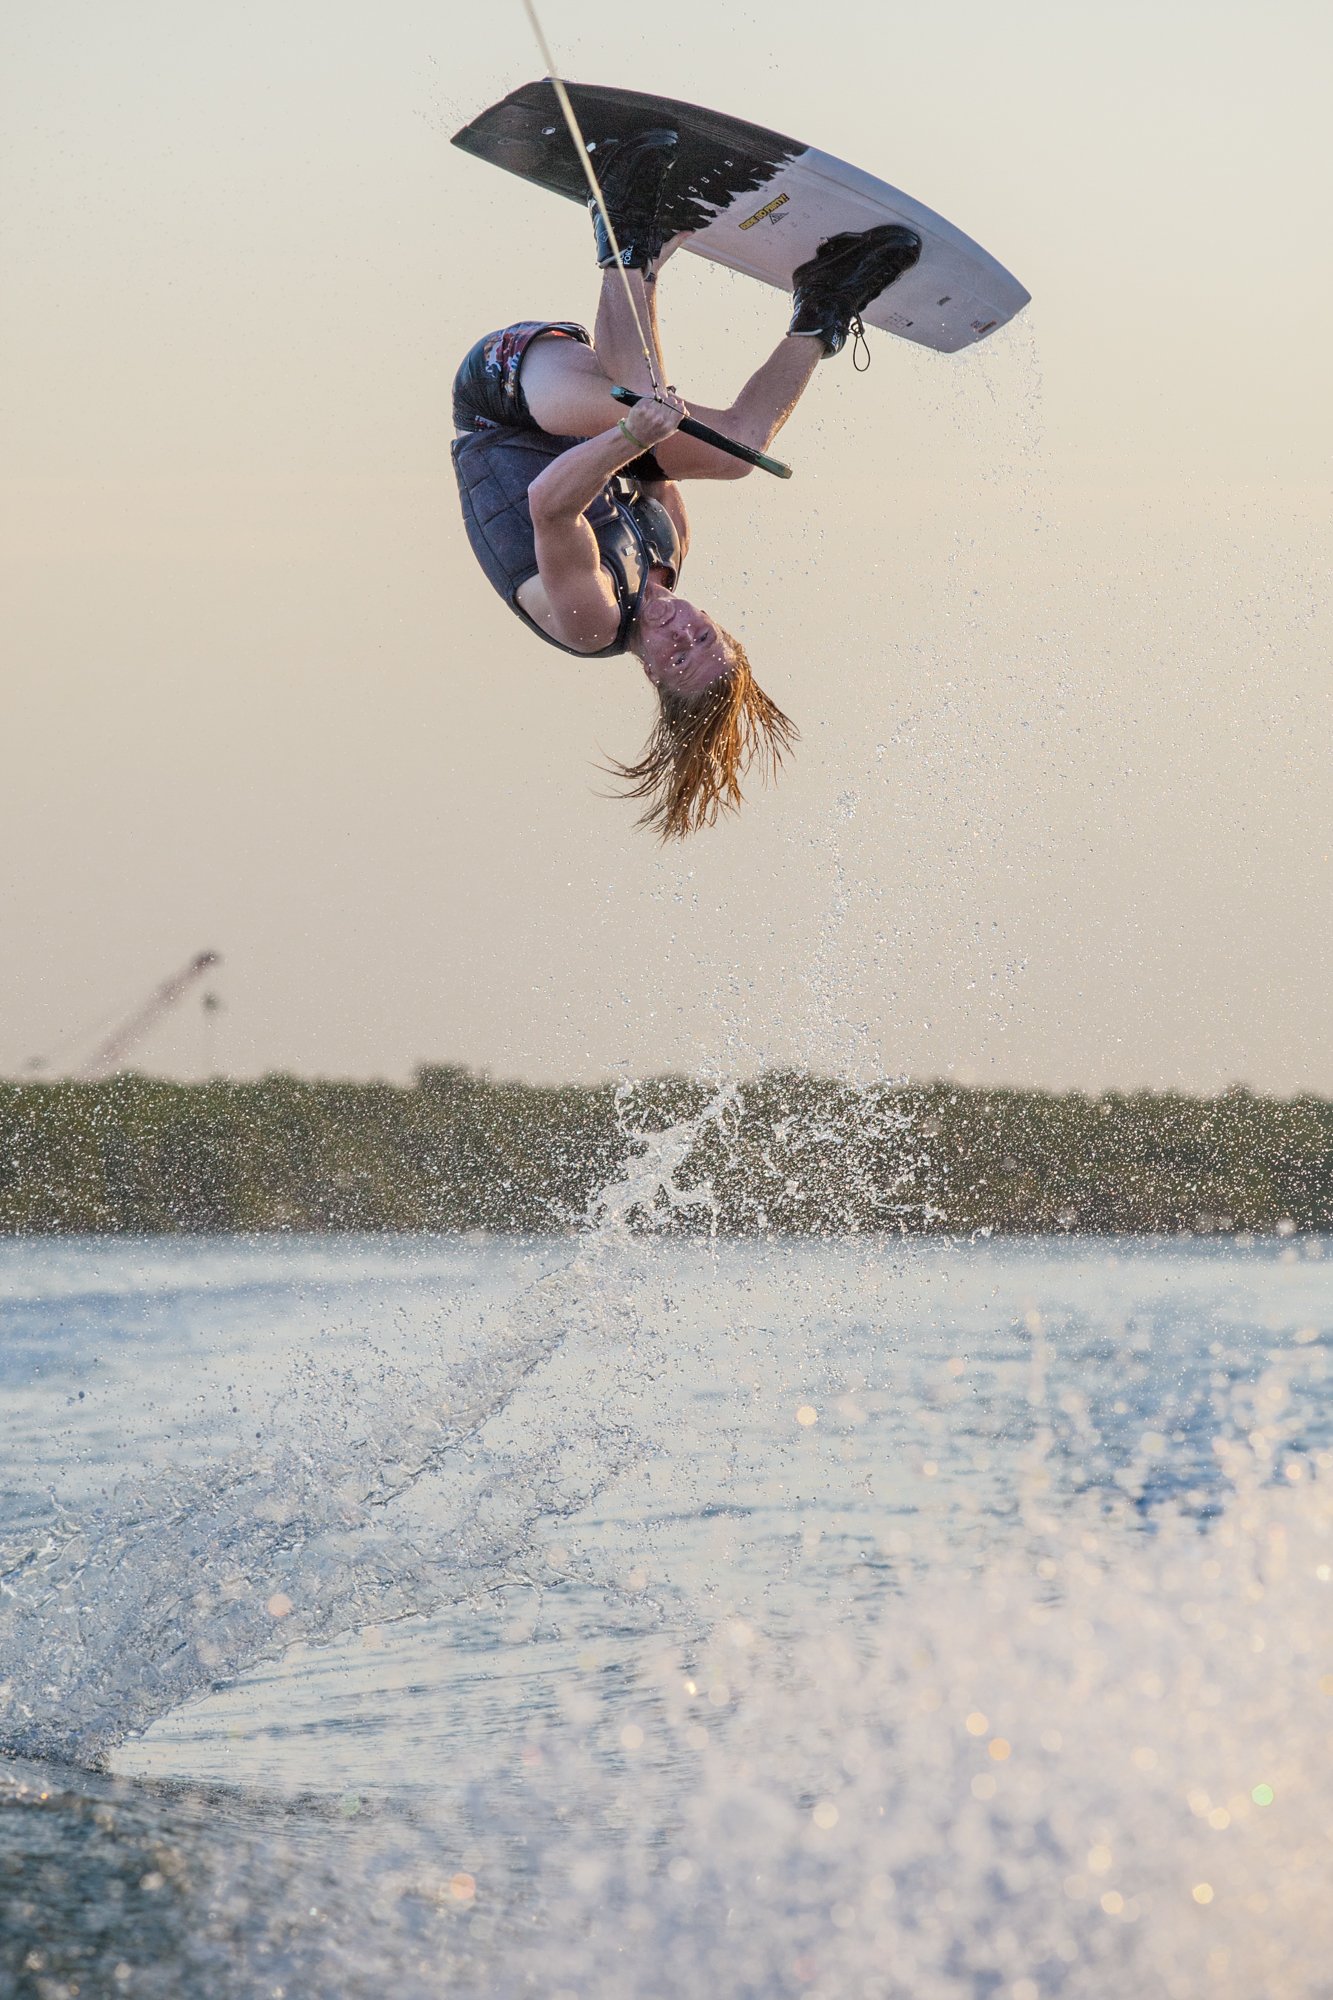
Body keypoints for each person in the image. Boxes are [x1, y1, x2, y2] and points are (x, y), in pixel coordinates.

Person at [452, 130, 920, 837]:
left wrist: (634, 435)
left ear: (651, 676)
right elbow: (647, 461)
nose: (682, 631)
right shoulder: (668, 550)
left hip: (502, 399)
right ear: (722, 629)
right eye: (705, 638)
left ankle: (623, 228)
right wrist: (640, 437)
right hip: (577, 399)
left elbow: (549, 505)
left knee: (638, 404)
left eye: (677, 655)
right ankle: (822, 304)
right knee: (736, 453)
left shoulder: (590, 622)